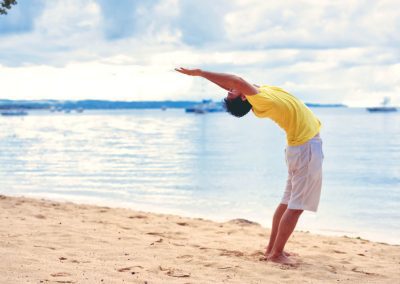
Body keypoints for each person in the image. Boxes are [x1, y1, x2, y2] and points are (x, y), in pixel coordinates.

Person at [175, 67, 324, 265]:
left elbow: (234, 84)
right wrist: (201, 73)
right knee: (296, 207)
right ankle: (276, 254)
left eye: (229, 92)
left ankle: (272, 249)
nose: (228, 90)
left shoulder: (259, 94)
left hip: (299, 149)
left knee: (287, 202)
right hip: (306, 150)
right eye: (231, 93)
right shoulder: (262, 100)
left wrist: (210, 78)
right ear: (244, 98)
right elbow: (236, 81)